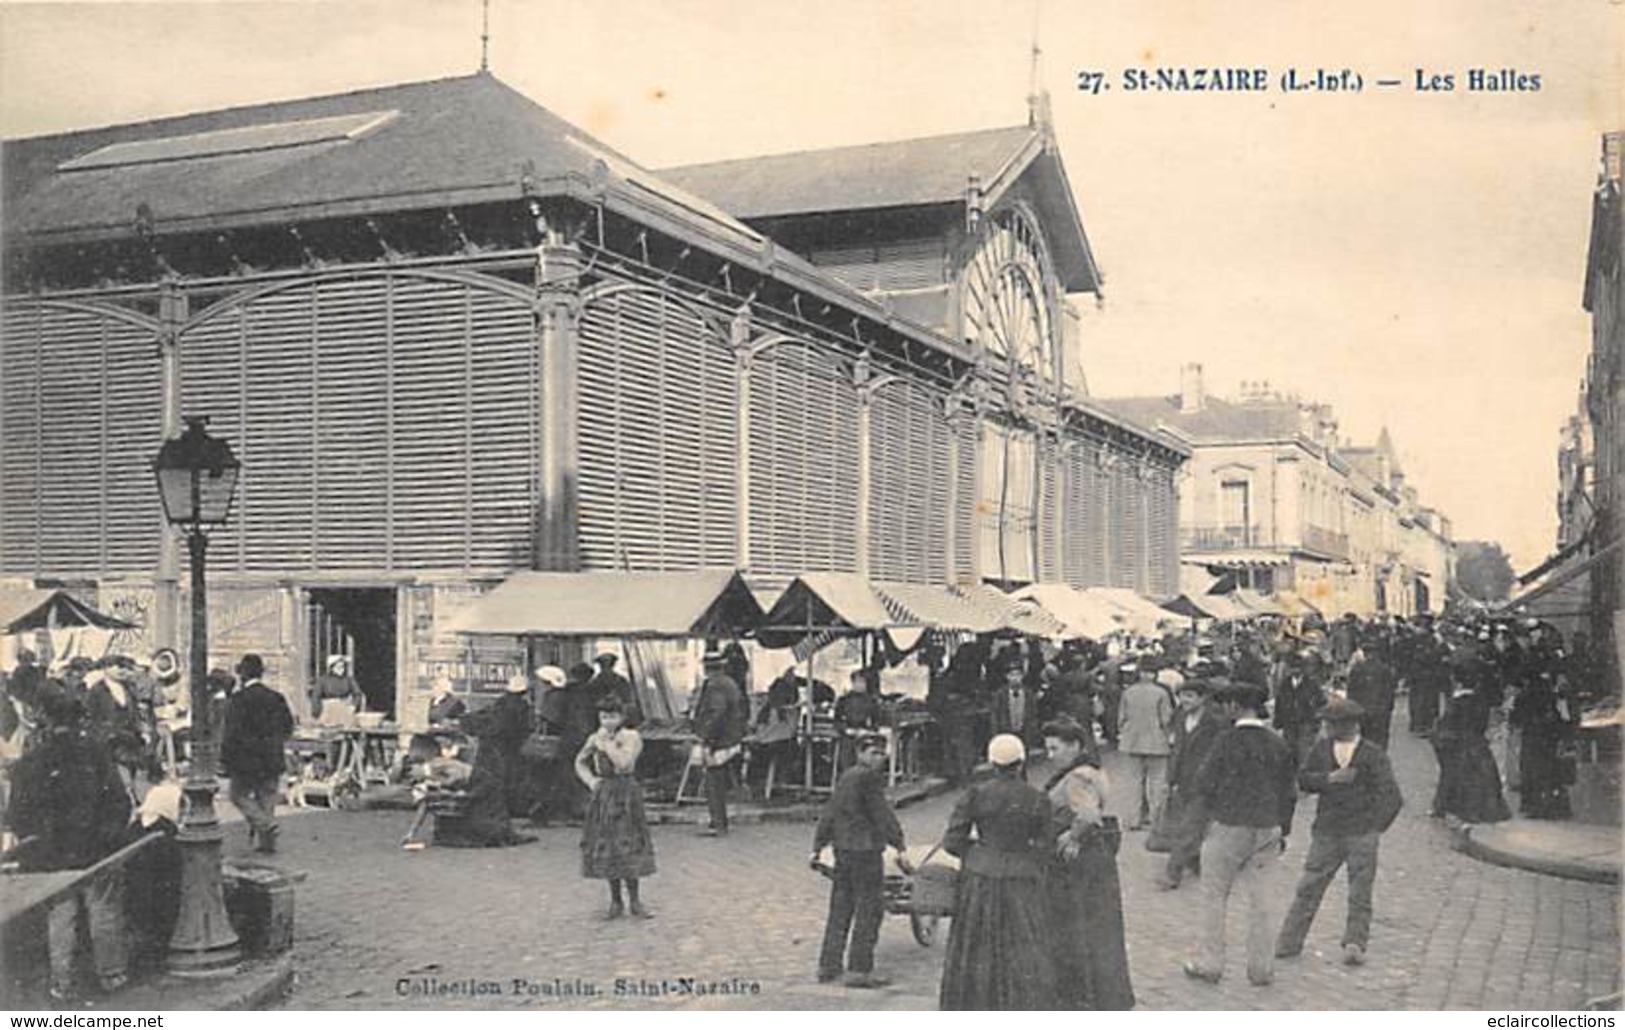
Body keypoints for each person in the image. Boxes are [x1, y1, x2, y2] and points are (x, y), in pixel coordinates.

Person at [6, 688, 133, 999]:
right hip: (96, 850)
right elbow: (120, 802)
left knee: (60, 917)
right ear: (80, 720)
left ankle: (62, 983)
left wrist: (34, 841)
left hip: (52, 854)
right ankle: (112, 976)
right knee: (104, 911)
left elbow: (16, 814)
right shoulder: (97, 753)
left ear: (46, 720)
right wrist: (109, 835)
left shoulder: (32, 760)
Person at [1275, 697, 1404, 967]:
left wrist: (1374, 828)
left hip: (1361, 832)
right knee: (1309, 885)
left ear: (1351, 725)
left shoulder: (1372, 753)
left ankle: (1355, 943)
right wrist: (1327, 780)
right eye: (1327, 723)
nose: (1327, 728)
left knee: (1360, 890)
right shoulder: (1321, 750)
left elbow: (1391, 796)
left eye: (1333, 724)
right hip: (1327, 830)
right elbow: (1303, 779)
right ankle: (1289, 941)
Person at [1185, 682, 1297, 987]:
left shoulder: (1225, 741)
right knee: (1262, 902)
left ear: (1234, 706)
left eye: (1226, 704)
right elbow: (1289, 792)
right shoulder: (1278, 743)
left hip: (1229, 826)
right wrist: (1282, 828)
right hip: (1267, 829)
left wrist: (1209, 816)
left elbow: (1203, 783)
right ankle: (1261, 969)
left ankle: (1210, 963)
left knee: (1214, 896)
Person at [938, 733, 1056, 1010]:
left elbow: (952, 842)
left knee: (977, 945)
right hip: (1021, 880)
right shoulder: (1037, 798)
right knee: (1024, 946)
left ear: (992, 763)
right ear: (1021, 763)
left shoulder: (976, 794)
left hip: (981, 880)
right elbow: (1045, 845)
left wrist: (978, 854)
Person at [1042, 718, 1134, 1010]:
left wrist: (1073, 836)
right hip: (1096, 863)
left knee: (1077, 926)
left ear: (1075, 746)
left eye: (1055, 748)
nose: (1050, 755)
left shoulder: (1077, 778)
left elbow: (1089, 814)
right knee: (1098, 928)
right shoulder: (1089, 771)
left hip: (1081, 866)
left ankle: (1081, 996)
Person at [811, 732, 905, 988]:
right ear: (861, 753)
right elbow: (882, 814)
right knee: (869, 910)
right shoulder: (869, 778)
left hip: (843, 850)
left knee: (840, 908)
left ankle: (828, 966)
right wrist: (899, 843)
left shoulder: (845, 777)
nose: (880, 758)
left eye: (882, 753)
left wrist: (818, 845)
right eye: (874, 753)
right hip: (865, 851)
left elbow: (829, 812)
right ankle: (859, 970)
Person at [576, 698, 656, 919]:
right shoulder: (595, 737)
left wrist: (608, 745)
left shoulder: (631, 737)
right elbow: (580, 761)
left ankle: (636, 900)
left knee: (628, 845)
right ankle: (615, 901)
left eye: (612, 716)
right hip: (606, 794)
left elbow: (624, 763)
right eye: (603, 717)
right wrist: (591, 781)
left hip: (626, 794)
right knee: (608, 846)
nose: (607, 721)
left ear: (622, 717)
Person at [1158, 678, 1230, 890]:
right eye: (1181, 696)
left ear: (1202, 698)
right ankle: (1196, 863)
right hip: (1182, 780)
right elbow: (1176, 750)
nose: (1184, 700)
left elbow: (1221, 754)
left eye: (1190, 696)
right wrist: (1169, 780)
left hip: (1205, 782)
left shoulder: (1216, 721)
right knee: (1191, 825)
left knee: (1189, 826)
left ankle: (1172, 873)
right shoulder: (1180, 717)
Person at [221, 654, 294, 854]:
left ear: (243, 675)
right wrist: (275, 743)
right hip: (271, 756)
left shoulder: (238, 700)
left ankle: (265, 825)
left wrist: (226, 760)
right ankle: (267, 844)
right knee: (267, 797)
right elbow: (288, 726)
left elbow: (231, 733)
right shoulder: (276, 697)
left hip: (246, 759)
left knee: (238, 795)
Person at [1431, 674, 1511, 824]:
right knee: (1482, 777)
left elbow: (1448, 724)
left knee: (1454, 776)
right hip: (1477, 743)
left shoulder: (1457, 702)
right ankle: (1485, 809)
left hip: (1459, 744)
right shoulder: (1480, 700)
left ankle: (1455, 808)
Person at [691, 646, 746, 837]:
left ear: (707, 668)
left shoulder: (716, 685)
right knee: (718, 781)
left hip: (720, 740)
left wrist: (708, 738)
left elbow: (717, 713)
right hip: (729, 737)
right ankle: (719, 822)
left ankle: (718, 824)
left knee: (713, 782)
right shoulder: (729, 683)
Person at [1510, 671, 1574, 819]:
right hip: (1550, 737)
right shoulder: (1555, 696)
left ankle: (1534, 805)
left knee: (1531, 771)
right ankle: (1556, 805)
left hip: (1531, 737)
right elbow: (1565, 717)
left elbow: (1516, 719)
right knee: (1552, 770)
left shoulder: (1523, 697)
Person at [1117, 662, 1173, 831]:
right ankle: (1157, 821)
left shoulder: (1128, 692)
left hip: (1131, 741)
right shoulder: (1161, 693)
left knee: (1134, 782)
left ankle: (1134, 820)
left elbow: (1121, 718)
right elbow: (1166, 719)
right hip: (1157, 742)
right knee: (1157, 783)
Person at [1346, 640, 1398, 749]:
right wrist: (1389, 707)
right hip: (1380, 710)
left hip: (1363, 709)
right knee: (1380, 737)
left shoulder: (1357, 669)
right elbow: (1390, 691)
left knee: (1364, 736)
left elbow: (1351, 691)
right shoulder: (1385, 669)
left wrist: (1352, 708)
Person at [990, 657, 1040, 752]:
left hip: (1024, 732)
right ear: (1007, 677)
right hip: (1006, 732)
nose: (1015, 678)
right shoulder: (1000, 694)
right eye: (1012, 675)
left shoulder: (1029, 694)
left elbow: (1034, 714)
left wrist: (1032, 731)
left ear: (1022, 676)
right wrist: (996, 734)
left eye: (1018, 675)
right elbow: (995, 715)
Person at [587, 650, 642, 727]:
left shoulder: (621, 680)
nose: (607, 669)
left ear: (613, 666)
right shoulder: (594, 683)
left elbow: (627, 698)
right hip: (600, 715)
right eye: (604, 666)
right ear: (600, 667)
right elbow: (591, 700)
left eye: (609, 666)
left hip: (619, 712)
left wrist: (619, 701)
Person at [312, 654, 365, 723]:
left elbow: (358, 694)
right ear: (332, 668)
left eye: (342, 667)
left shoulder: (349, 680)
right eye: (338, 667)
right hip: (328, 711)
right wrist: (318, 712)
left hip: (344, 710)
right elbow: (316, 696)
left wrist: (353, 705)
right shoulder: (323, 680)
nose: (341, 670)